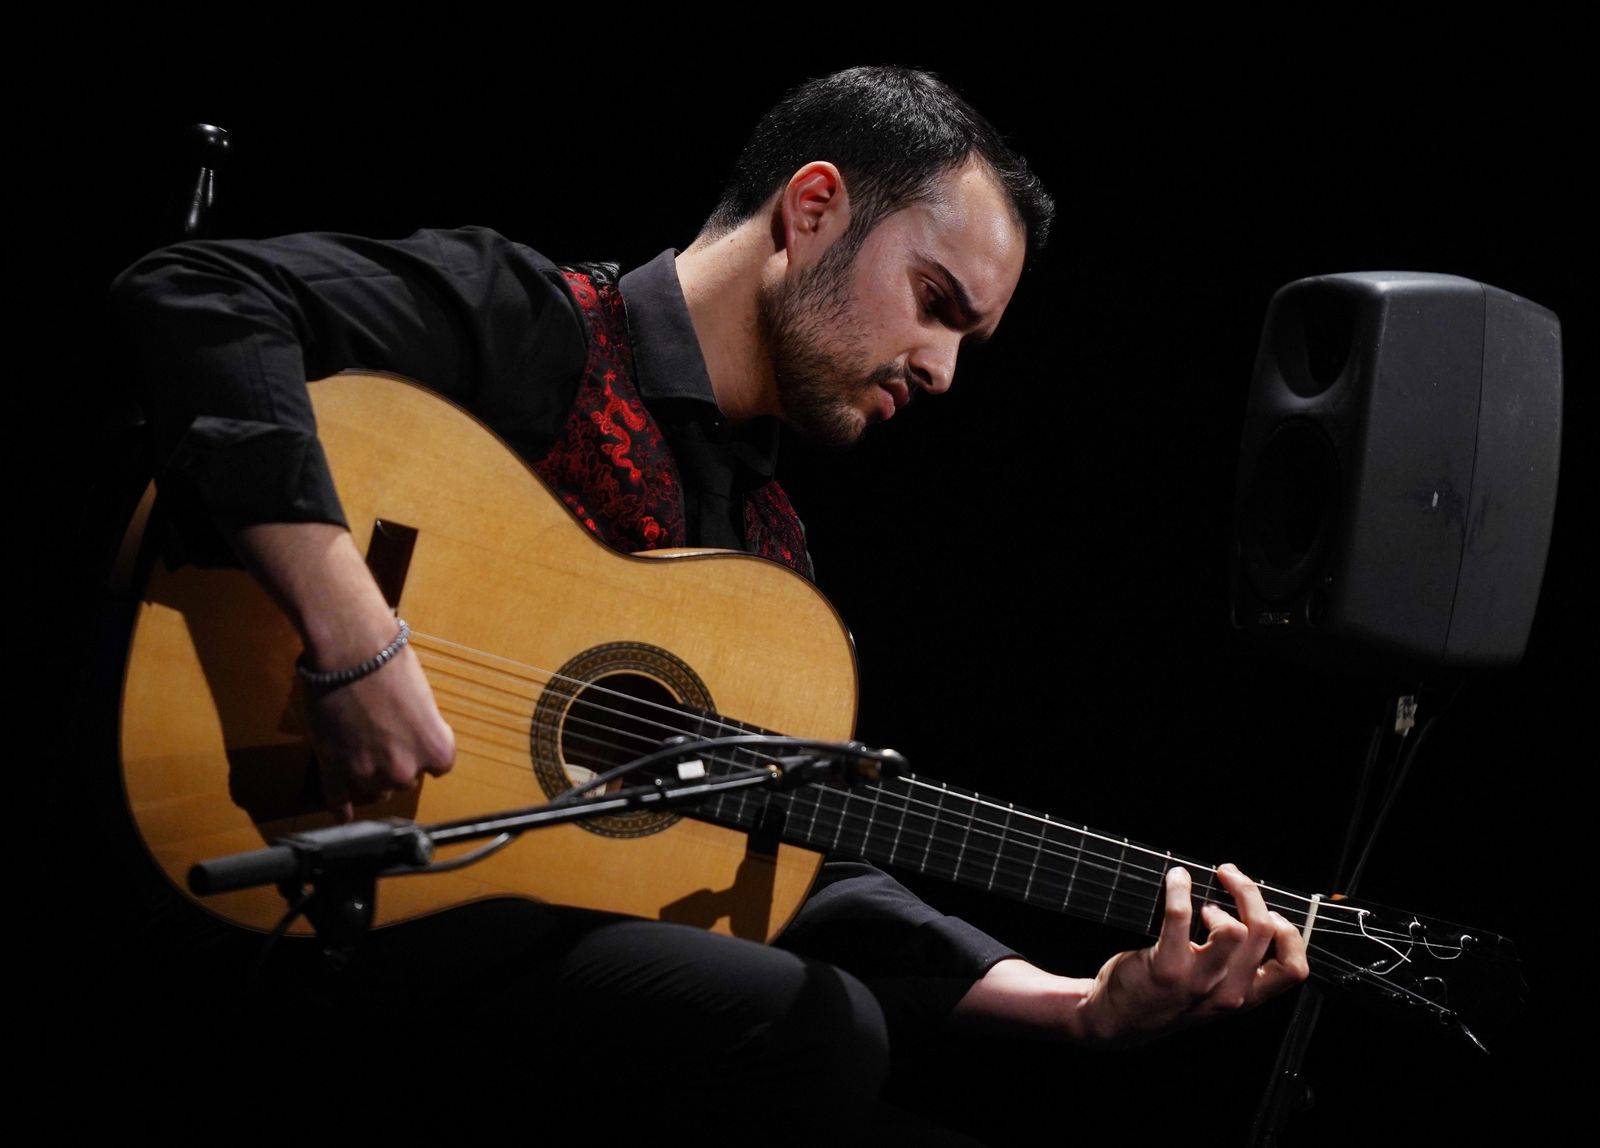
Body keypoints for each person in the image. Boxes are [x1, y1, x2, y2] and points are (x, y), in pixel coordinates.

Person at [112, 66, 1308, 1139]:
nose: (942, 369)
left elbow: (790, 859)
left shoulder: (768, 565)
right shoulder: (538, 330)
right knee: (818, 1028)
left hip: (496, 967)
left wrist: (1083, 1007)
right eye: (936, 301)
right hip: (280, 879)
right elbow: (201, 293)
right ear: (812, 208)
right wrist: (353, 635)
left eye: (968, 339)